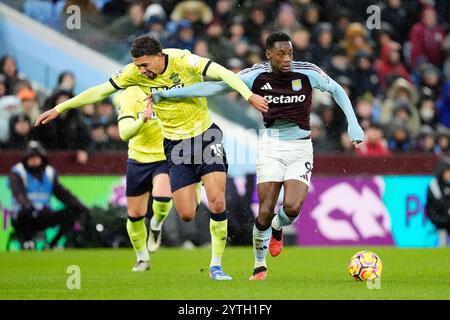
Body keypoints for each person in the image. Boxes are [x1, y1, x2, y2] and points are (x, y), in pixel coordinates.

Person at [35, 35, 268, 280]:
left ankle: (216, 266)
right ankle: (194, 186)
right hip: (175, 145)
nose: (141, 71)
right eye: (137, 65)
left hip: (205, 136)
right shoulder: (133, 73)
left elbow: (223, 73)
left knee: (218, 202)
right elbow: (99, 91)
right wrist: (59, 108)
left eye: (145, 65)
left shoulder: (183, 60)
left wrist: (248, 95)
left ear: (159, 56)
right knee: (186, 213)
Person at [149, 32, 364, 280]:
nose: (287, 59)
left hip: (301, 147)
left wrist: (353, 124)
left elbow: (336, 89)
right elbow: (215, 87)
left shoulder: (307, 72)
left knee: (292, 208)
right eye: (281, 54)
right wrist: (168, 94)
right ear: (269, 54)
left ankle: (278, 226)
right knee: (264, 210)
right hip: (271, 147)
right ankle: (259, 266)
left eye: (290, 53)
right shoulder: (255, 75)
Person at [116, 86, 173, 272]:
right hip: (138, 160)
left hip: (164, 157)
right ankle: (142, 258)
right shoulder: (129, 95)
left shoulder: (169, 86)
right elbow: (124, 134)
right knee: (134, 216)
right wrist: (142, 119)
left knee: (163, 198)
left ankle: (156, 224)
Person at [8, 141, 89, 249]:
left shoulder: (49, 172)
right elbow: (19, 194)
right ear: (25, 158)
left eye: (36, 157)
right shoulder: (18, 172)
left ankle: (52, 244)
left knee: (73, 213)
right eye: (31, 157)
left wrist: (78, 204)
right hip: (23, 215)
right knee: (25, 214)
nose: (34, 160)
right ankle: (28, 242)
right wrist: (30, 207)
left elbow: (62, 193)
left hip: (43, 214)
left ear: (42, 158)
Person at [426, 157, 450, 235]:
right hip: (437, 215)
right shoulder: (434, 184)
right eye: (448, 172)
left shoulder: (447, 185)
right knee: (443, 226)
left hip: (446, 215)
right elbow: (439, 202)